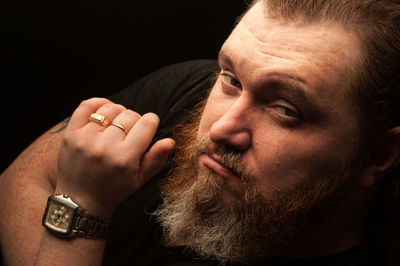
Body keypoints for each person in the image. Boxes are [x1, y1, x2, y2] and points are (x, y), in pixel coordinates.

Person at [1, 0, 400, 265]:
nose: (223, 128)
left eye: (285, 109)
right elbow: (21, 180)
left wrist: (82, 208)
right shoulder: (191, 89)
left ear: (379, 153)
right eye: (230, 77)